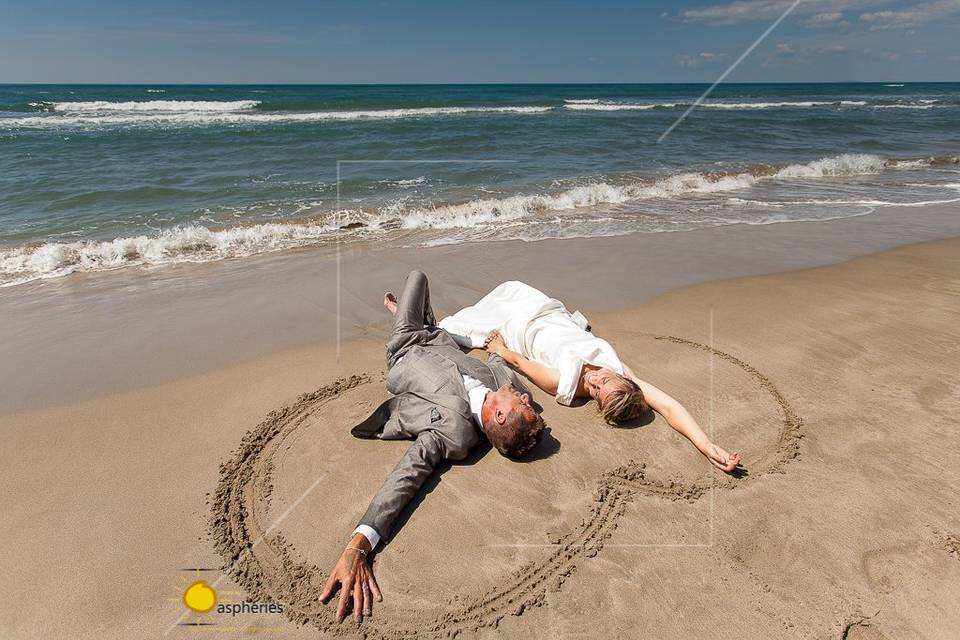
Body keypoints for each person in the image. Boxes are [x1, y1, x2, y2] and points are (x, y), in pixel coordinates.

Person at [320, 270, 546, 623]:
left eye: (523, 404)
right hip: (439, 339)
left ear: (499, 417)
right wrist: (500, 346)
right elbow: (501, 358)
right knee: (426, 311)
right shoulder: (504, 382)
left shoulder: (452, 433)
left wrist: (358, 544)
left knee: (418, 278)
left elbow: (407, 476)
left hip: (407, 347)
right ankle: (414, 315)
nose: (526, 396)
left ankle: (404, 317)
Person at [439, 281, 740, 473]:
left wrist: (500, 349)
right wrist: (707, 444)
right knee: (513, 286)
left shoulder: (566, 384)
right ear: (625, 380)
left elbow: (522, 363)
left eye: (597, 394)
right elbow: (669, 406)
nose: (595, 385)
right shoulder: (621, 370)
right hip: (550, 313)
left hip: (523, 327)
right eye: (606, 383)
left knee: (457, 328)